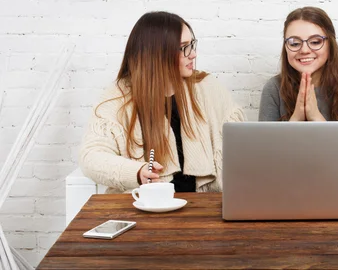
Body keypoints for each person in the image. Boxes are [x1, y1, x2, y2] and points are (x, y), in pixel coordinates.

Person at [79, 11, 245, 194]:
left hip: (203, 210)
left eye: (192, 44)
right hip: (143, 210)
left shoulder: (208, 87)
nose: (193, 54)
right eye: (184, 47)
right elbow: (91, 157)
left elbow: (242, 145)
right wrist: (136, 172)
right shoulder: (119, 97)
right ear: (157, 54)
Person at [259, 6, 338, 122]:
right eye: (294, 43)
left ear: (330, 44)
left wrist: (316, 116)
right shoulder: (274, 88)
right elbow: (266, 140)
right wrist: (297, 117)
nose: (304, 50)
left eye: (315, 42)